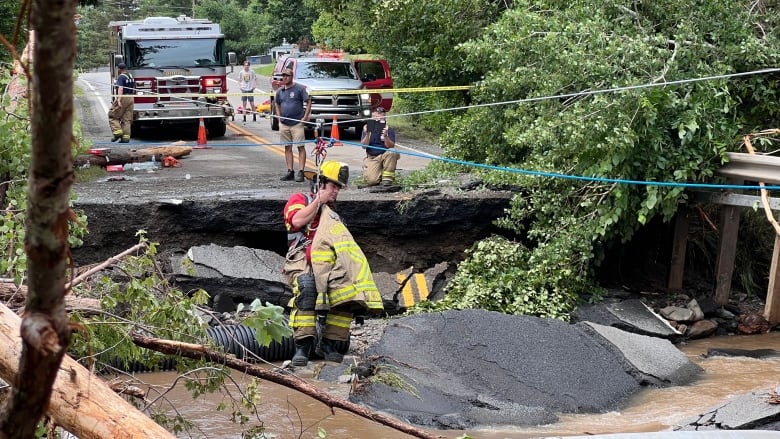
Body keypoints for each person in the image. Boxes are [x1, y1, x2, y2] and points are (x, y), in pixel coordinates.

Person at [282, 160, 384, 366]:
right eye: (333, 186)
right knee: (307, 286)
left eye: (339, 187)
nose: (336, 191)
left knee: (347, 292)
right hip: (302, 258)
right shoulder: (300, 199)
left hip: (329, 262)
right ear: (321, 184)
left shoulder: (334, 215)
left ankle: (330, 342)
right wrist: (318, 202)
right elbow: (297, 221)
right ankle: (303, 345)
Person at [275, 67, 312, 182]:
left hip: (297, 123)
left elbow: (308, 101)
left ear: (292, 77)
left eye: (287, 75)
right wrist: (278, 116)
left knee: (300, 147)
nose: (284, 78)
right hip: (284, 124)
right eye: (283, 76)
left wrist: (305, 117)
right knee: (287, 147)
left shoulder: (299, 89)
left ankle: (301, 171)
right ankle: (290, 171)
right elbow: (277, 103)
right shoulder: (279, 91)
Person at [360, 107, 399, 186]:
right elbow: (364, 146)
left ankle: (387, 179)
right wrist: (367, 134)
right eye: (376, 118)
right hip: (373, 157)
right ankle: (373, 169)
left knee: (393, 152)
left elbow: (391, 146)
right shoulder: (367, 128)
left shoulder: (389, 129)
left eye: (381, 118)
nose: (378, 120)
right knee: (372, 181)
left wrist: (385, 136)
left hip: (385, 155)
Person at [108, 63, 135, 143]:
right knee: (127, 119)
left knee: (112, 115)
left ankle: (117, 133)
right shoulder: (130, 76)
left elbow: (120, 88)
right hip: (131, 97)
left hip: (123, 97)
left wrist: (119, 100)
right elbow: (134, 87)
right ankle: (125, 138)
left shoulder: (121, 77)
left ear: (119, 69)